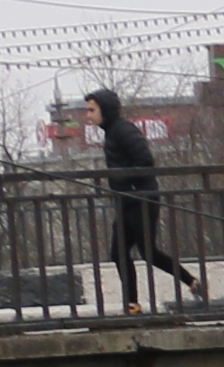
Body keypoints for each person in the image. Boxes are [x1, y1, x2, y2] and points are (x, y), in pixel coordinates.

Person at [81, 89, 205, 314]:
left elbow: (145, 161)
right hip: (128, 200)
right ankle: (132, 305)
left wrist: (119, 179)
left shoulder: (123, 130)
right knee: (119, 253)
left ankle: (191, 283)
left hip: (141, 199)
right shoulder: (111, 132)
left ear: (105, 110)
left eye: (91, 110)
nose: (87, 115)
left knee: (148, 252)